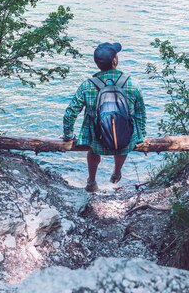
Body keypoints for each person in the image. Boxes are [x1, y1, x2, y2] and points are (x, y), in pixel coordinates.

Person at [62, 42, 146, 192]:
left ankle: (91, 182)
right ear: (115, 60)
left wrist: (68, 135)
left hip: (97, 140)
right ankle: (117, 172)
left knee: (93, 151)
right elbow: (140, 114)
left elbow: (70, 113)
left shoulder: (87, 85)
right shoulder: (132, 83)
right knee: (123, 143)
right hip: (125, 140)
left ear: (96, 63)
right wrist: (140, 136)